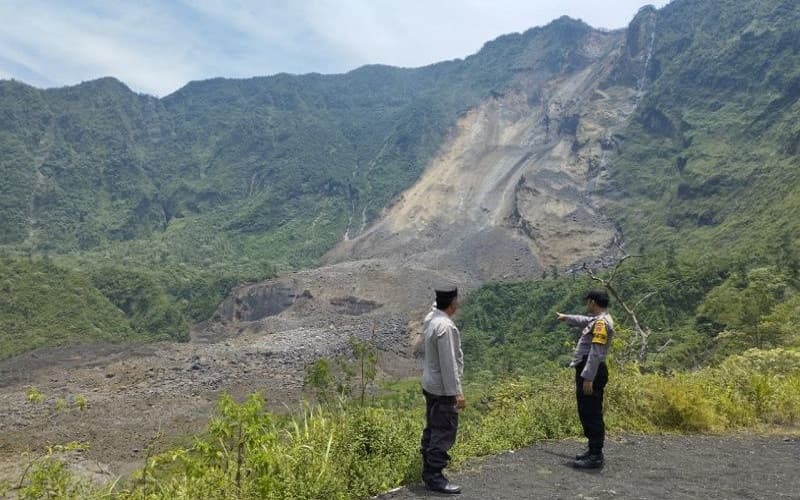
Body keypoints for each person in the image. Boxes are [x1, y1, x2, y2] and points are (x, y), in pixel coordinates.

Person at [557, 289, 615, 469]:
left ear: (593, 302)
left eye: (587, 302)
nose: (586, 305)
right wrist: (566, 317)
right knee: (586, 410)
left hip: (592, 371)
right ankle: (592, 450)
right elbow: (583, 320)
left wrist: (588, 378)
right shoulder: (597, 320)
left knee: (591, 412)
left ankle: (596, 455)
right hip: (589, 370)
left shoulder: (601, 324)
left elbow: (596, 352)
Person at [420, 285, 465, 494]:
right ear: (452, 304)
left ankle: (428, 469)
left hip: (430, 384)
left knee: (432, 427)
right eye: (456, 300)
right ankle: (434, 477)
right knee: (444, 430)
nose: (458, 303)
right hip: (442, 389)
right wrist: (457, 393)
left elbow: (434, 307)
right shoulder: (445, 327)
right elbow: (449, 364)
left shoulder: (431, 318)